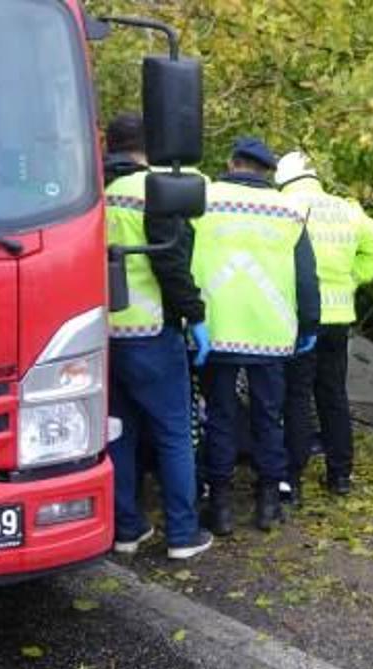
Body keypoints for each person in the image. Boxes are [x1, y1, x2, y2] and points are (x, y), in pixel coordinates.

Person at [193, 137, 320, 535]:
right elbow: (305, 276)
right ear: (267, 172)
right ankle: (267, 503)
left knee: (220, 416)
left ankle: (221, 507)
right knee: (269, 416)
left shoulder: (203, 199)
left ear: (231, 163)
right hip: (271, 333)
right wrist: (310, 325)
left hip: (216, 329)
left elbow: (180, 256)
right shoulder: (289, 210)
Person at [103, 111, 213, 560]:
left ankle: (127, 529)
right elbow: (170, 262)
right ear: (150, 148)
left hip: (103, 338)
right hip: (151, 333)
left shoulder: (92, 192)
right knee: (172, 434)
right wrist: (196, 315)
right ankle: (183, 535)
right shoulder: (153, 192)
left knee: (120, 434)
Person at [275, 151, 373, 502]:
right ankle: (340, 475)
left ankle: (292, 480)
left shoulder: (283, 205)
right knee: (333, 396)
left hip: (299, 317)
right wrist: (352, 278)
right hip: (339, 319)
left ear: (283, 178)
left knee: (295, 398)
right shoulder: (346, 209)